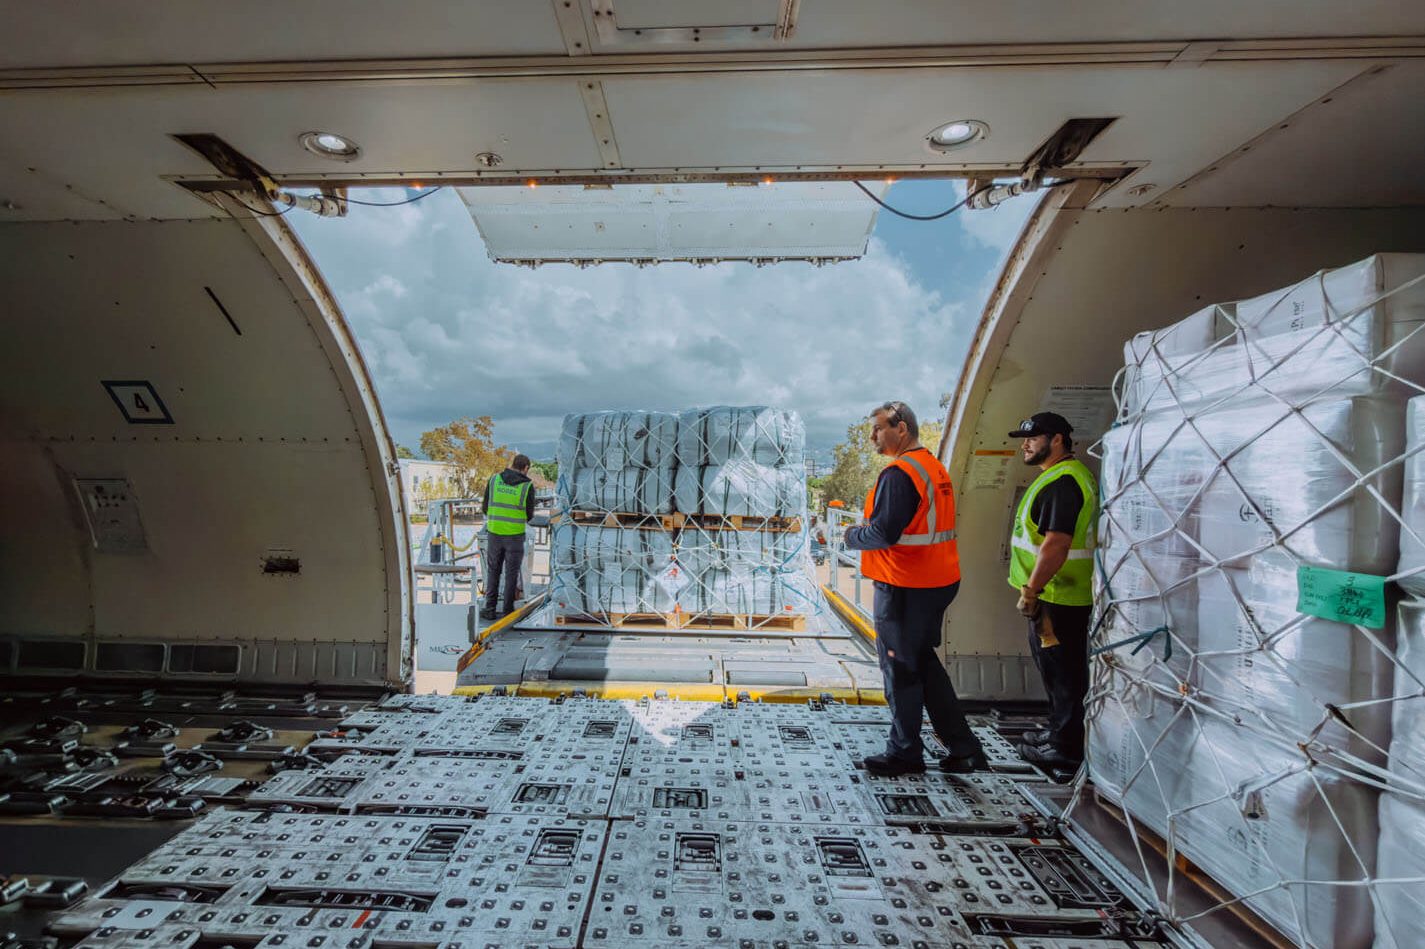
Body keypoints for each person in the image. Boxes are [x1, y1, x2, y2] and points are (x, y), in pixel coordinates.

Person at [844, 401, 986, 776]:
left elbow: (883, 533)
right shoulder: (932, 467)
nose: (873, 436)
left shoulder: (900, 473)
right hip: (936, 581)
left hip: (905, 586)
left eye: (877, 428)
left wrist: (849, 535)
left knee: (901, 671)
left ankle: (905, 753)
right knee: (923, 664)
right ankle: (964, 747)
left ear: (901, 428)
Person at [1006, 412, 1099, 769]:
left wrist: (1032, 589)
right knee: (1058, 671)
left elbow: (1056, 544)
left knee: (1064, 675)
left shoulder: (1063, 483)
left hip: (1057, 596)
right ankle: (1057, 731)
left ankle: (1065, 748)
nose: (1026, 444)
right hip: (1057, 594)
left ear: (1057, 439)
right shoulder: (1065, 476)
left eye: (1034, 437)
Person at [481, 453, 536, 621]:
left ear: (512, 464)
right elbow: (529, 514)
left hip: (495, 533)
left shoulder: (494, 480)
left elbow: (485, 507)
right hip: (515, 535)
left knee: (493, 571)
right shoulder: (527, 487)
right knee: (512, 574)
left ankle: (489, 608)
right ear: (526, 468)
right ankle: (507, 611)